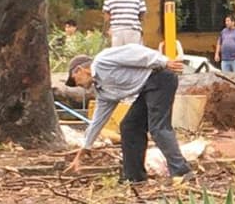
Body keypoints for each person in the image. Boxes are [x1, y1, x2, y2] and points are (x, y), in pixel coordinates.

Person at [64, 44, 192, 183]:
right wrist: (84, 149)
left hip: (159, 78)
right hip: (147, 88)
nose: (77, 85)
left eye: (74, 79)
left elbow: (134, 52)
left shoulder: (103, 60)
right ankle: (134, 177)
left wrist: (162, 61)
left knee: (158, 128)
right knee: (129, 127)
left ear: (80, 70)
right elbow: (97, 121)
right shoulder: (103, 91)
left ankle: (181, 172)